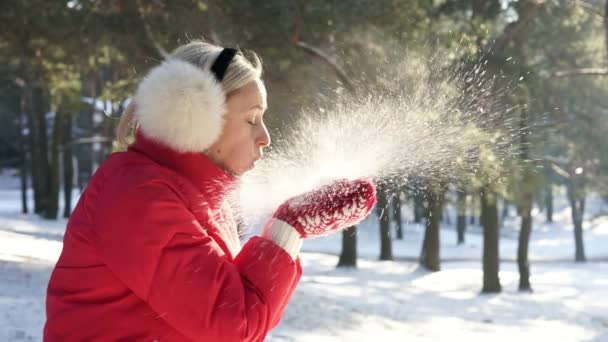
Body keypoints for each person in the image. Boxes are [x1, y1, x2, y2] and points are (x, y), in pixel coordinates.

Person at [43, 41, 376, 341]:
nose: (265, 137)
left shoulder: (199, 201)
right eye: (251, 119)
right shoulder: (138, 196)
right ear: (195, 116)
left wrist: (291, 226)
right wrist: (288, 228)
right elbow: (233, 323)